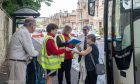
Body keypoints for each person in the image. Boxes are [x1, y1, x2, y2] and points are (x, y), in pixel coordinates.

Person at [8, 17, 39, 84]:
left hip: (15, 61)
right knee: (19, 82)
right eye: (35, 26)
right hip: (18, 63)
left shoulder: (21, 31)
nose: (35, 27)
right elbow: (31, 52)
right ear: (32, 26)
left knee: (13, 82)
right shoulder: (24, 33)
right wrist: (37, 52)